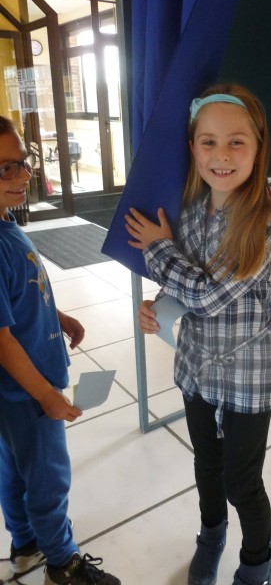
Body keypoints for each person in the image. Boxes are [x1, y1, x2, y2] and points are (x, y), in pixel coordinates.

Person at [125, 84, 271, 585]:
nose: (222, 155)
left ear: (258, 148)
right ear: (193, 148)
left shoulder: (265, 227)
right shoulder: (190, 213)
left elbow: (207, 295)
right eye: (209, 142)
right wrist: (158, 307)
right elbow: (186, 288)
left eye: (236, 142)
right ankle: (211, 536)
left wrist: (158, 250)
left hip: (247, 381)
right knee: (206, 464)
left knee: (242, 481)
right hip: (197, 369)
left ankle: (255, 564)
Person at [0, 116, 121, 585]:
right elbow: (2, 340)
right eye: (5, 168)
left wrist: (58, 316)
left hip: (17, 393)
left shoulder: (7, 223)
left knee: (15, 468)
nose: (23, 175)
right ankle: (62, 563)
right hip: (27, 390)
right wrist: (47, 396)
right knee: (48, 477)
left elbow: (20, 299)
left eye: (23, 162)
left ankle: (26, 545)